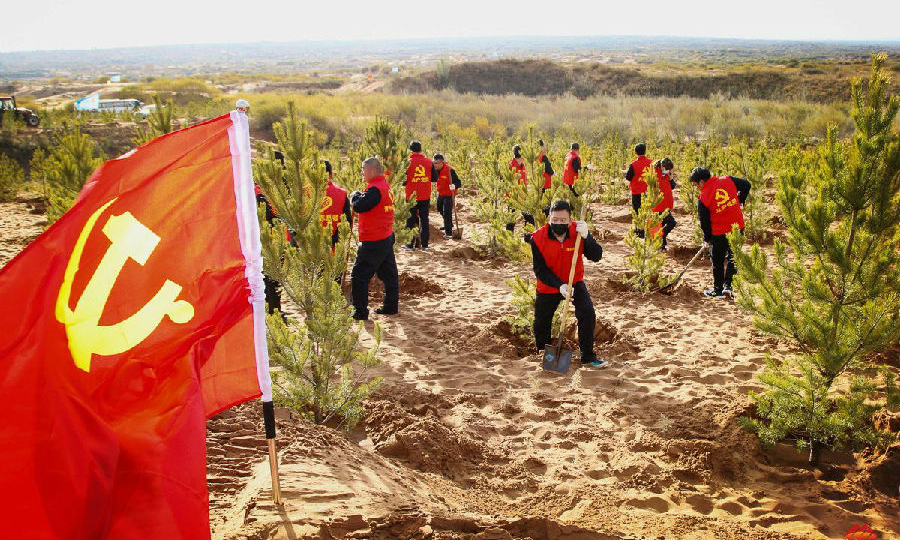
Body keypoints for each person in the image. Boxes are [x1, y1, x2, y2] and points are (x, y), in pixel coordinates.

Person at [530, 200, 606, 368]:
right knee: (541, 321)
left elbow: (597, 256)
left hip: (575, 281)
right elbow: (540, 270)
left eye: (563, 220)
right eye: (555, 220)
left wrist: (588, 237)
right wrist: (559, 285)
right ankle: (544, 353)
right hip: (549, 285)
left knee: (587, 312)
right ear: (549, 218)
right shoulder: (537, 238)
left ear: (570, 220)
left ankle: (587, 356)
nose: (559, 223)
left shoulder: (578, 232)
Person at [688, 167, 752, 298]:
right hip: (737, 227)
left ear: (701, 182)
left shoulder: (703, 197)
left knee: (717, 260)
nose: (696, 188)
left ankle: (718, 289)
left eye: (695, 185)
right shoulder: (727, 180)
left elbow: (704, 222)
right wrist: (741, 200)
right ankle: (728, 286)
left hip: (719, 232)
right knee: (734, 256)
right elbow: (747, 185)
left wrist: (707, 238)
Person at [349, 157, 399, 320]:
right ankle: (391, 306)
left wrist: (354, 196)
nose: (362, 173)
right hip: (385, 236)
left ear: (372, 170)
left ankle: (360, 312)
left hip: (374, 240)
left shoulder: (376, 189)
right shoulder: (384, 186)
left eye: (363, 169)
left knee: (359, 276)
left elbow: (360, 205)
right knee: (389, 274)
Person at [404, 140, 434, 249]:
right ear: (421, 150)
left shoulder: (407, 162)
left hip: (411, 196)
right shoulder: (429, 162)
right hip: (425, 195)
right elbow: (435, 178)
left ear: (410, 150)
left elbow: (402, 180)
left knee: (410, 220)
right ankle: (425, 245)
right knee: (424, 219)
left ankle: (409, 244)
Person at [320, 160, 352, 249]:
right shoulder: (342, 194)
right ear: (330, 175)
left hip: (307, 250)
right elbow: (347, 222)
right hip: (333, 248)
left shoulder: (303, 193)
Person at [432, 153, 461, 239]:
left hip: (449, 194)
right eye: (434, 162)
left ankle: (448, 233)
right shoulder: (435, 170)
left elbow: (458, 182)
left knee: (447, 212)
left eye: (436, 163)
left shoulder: (450, 170)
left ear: (442, 162)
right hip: (441, 193)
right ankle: (448, 224)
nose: (435, 165)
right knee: (439, 208)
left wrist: (454, 186)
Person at [506, 145, 535, 232]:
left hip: (523, 197)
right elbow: (505, 181)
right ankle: (509, 239)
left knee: (530, 219)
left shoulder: (522, 165)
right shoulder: (510, 165)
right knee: (511, 221)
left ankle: (527, 239)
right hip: (513, 197)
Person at [650, 157, 677, 251]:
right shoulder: (654, 176)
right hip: (658, 206)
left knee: (662, 225)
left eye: (670, 169)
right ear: (662, 166)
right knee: (671, 223)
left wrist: (670, 178)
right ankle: (659, 240)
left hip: (666, 205)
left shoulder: (666, 175)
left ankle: (661, 245)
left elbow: (672, 187)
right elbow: (650, 189)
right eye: (667, 168)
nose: (668, 170)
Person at [625, 143, 653, 214]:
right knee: (648, 212)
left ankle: (639, 225)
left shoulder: (633, 164)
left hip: (636, 192)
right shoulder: (651, 163)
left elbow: (628, 177)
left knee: (637, 213)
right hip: (649, 191)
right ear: (645, 151)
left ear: (635, 152)